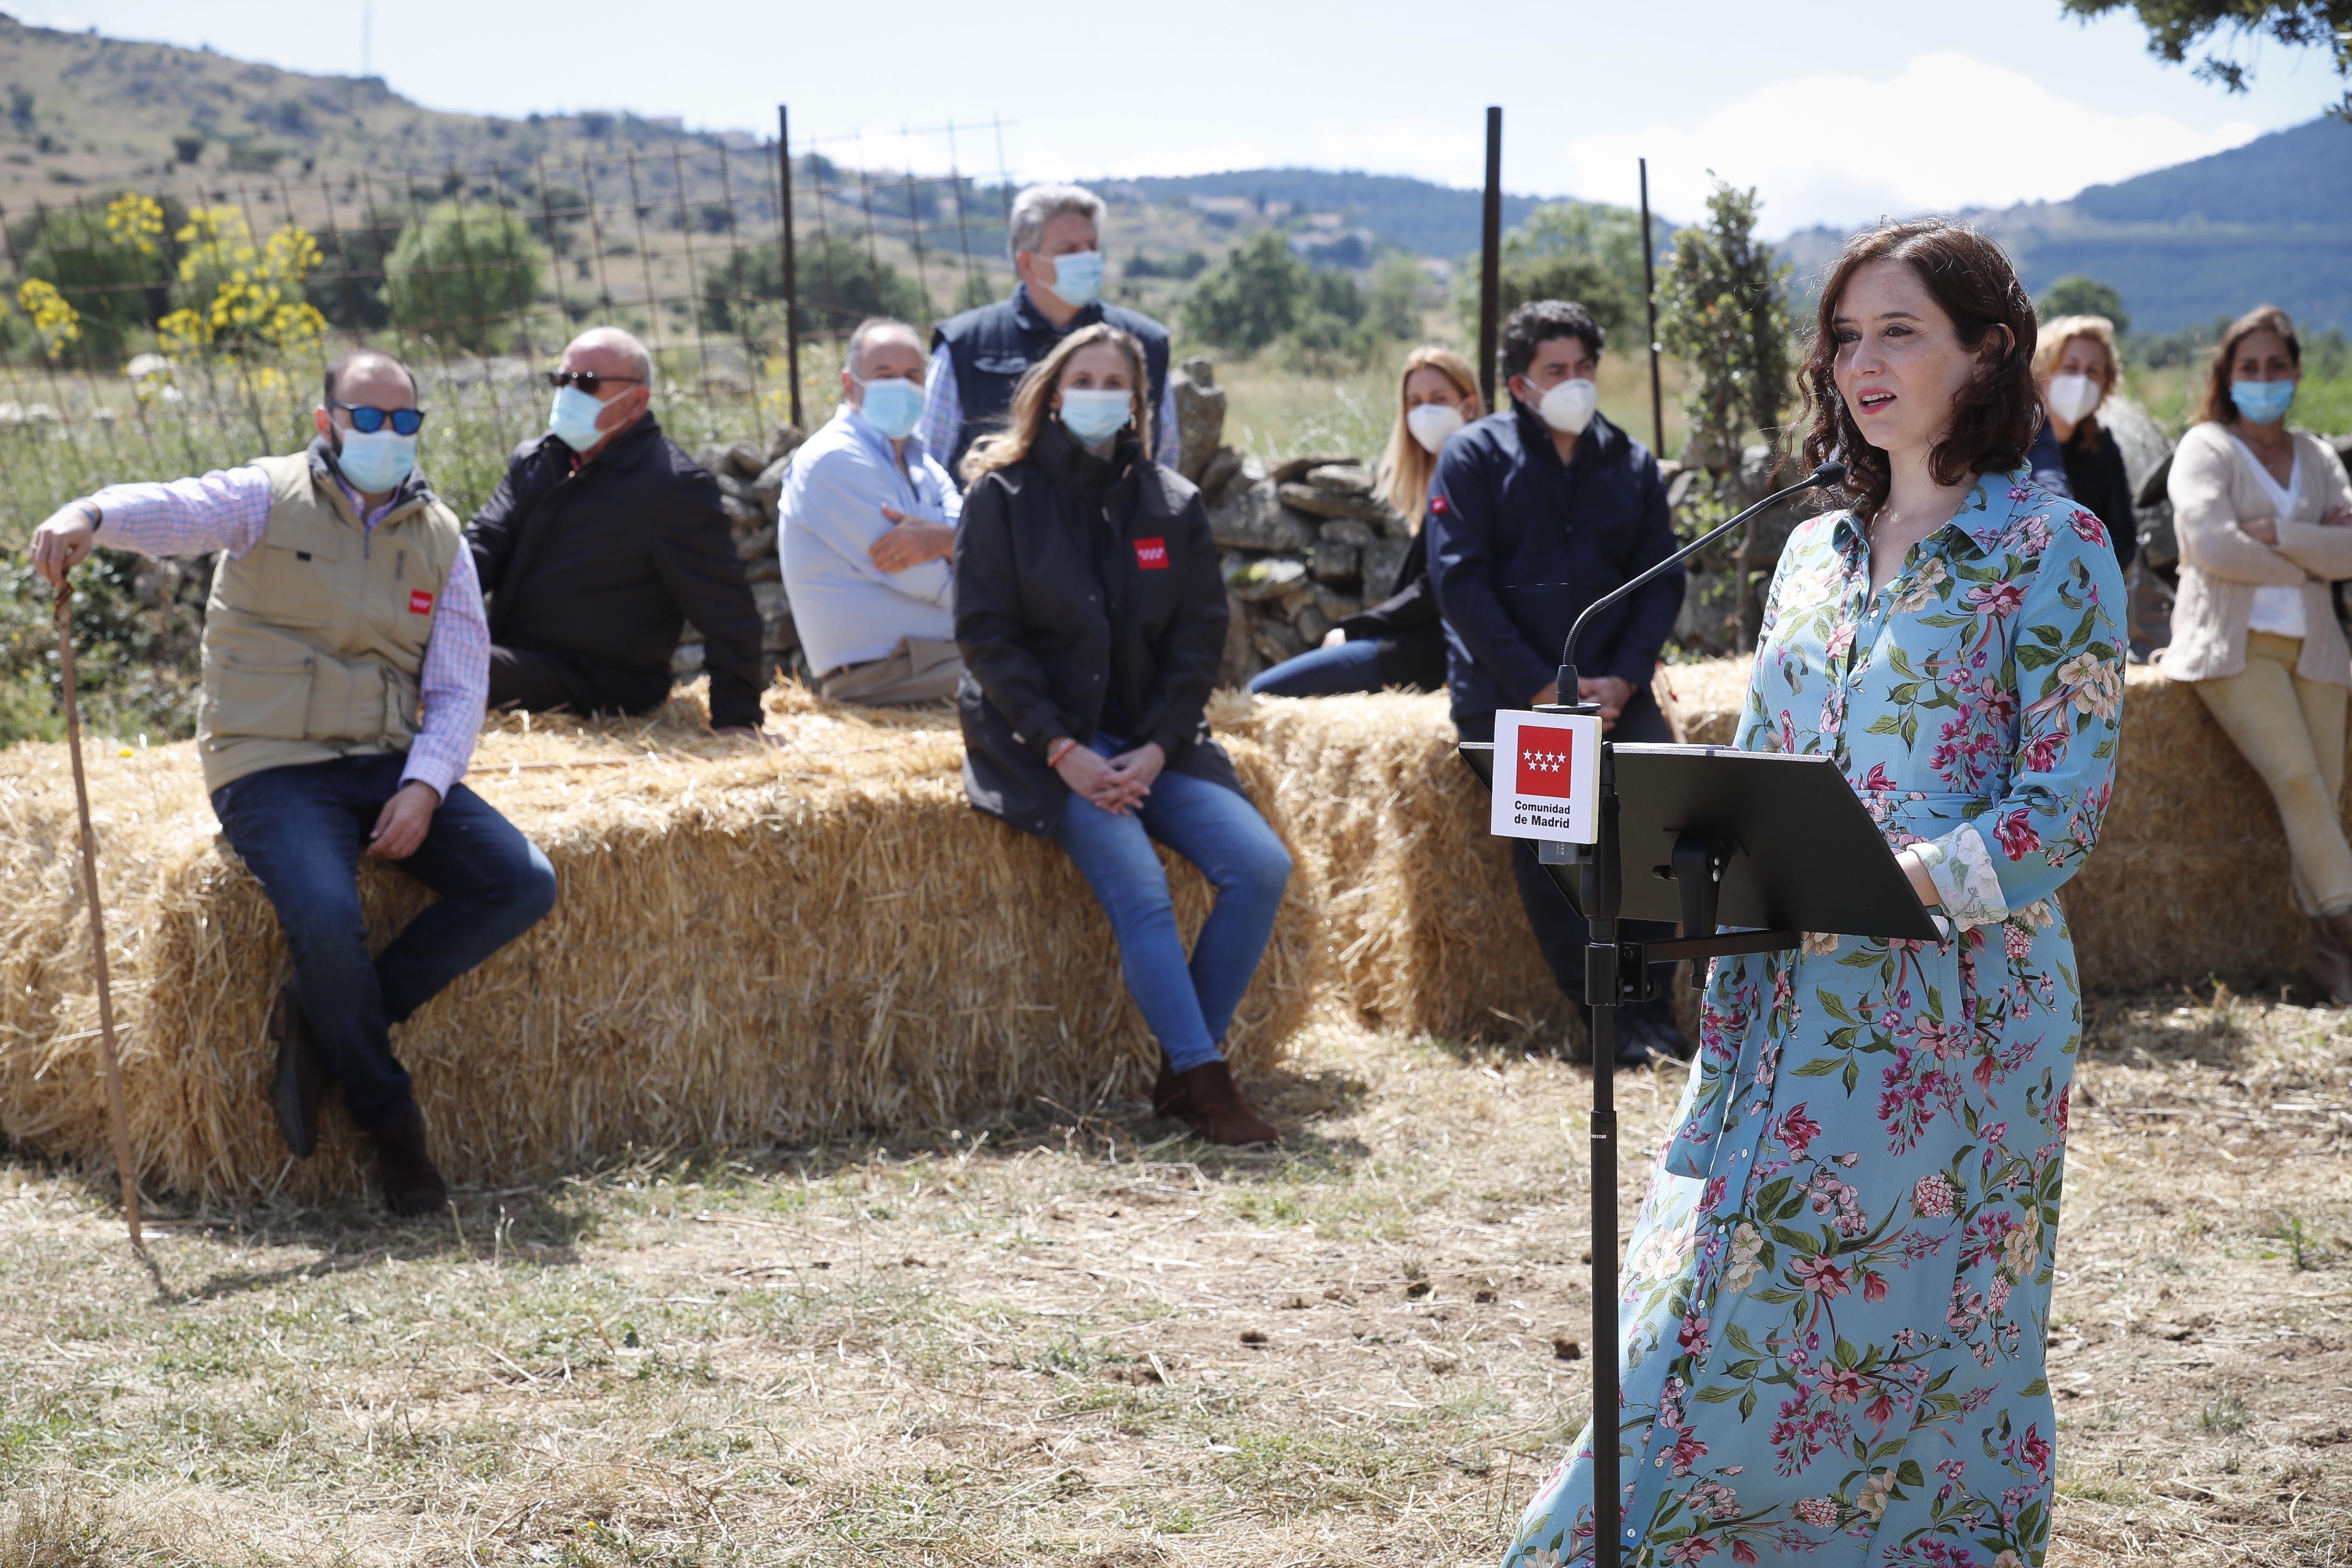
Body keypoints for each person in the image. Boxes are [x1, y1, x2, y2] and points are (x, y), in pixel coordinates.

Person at [1504, 219, 2126, 1567]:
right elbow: (1789, 765)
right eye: (1846, 336)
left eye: (1900, 330)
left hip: (1959, 1009)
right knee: (1713, 1279)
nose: (1862, 362)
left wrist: (1888, 883)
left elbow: (2061, 807)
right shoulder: (1810, 554)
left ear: (1990, 350)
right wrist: (1687, 838)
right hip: (1782, 982)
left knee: (1936, 1316)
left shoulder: (2053, 545)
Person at [25, 350, 559, 1217]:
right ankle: (391, 1126)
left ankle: (324, 1022)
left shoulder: (441, 538)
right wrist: (89, 513)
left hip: (383, 759)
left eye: (405, 422)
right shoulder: (265, 497)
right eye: (368, 418)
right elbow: (176, 508)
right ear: (327, 423)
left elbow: (461, 686)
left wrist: (424, 787)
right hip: (270, 762)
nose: (388, 436)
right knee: (323, 914)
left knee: (522, 881)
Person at [953, 323, 1292, 1146]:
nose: (1100, 394)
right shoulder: (1002, 497)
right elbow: (986, 637)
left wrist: (1155, 747)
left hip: (1153, 745)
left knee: (1260, 865)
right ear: (1053, 392)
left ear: (1139, 403)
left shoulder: (1173, 504)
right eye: (1086, 379)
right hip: (1043, 749)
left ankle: (1182, 1071)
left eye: (1117, 383)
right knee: (1139, 884)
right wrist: (1064, 751)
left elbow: (1197, 641)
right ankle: (1207, 1084)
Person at [1424, 300, 1688, 1064]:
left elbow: (1660, 583)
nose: (1575, 383)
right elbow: (1461, 585)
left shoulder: (1631, 462)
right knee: (1557, 832)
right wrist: (1543, 687)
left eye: (1584, 368)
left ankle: (1652, 1011)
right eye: (1555, 371)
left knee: (1655, 829)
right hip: (1517, 694)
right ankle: (1599, 1014)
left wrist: (1625, 681)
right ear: (1518, 384)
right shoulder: (1472, 458)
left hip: (1615, 693)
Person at [2164, 304, 2352, 1001]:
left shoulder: (2318, 454)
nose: (2264, 378)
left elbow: (2351, 551)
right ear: (2229, 376)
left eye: (2277, 366)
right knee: (2300, 783)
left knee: (2324, 802)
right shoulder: (2206, 448)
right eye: (2251, 368)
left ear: (2297, 372)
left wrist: (2272, 536)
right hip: (2233, 647)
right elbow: (2210, 547)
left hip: (2318, 651)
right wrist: (2312, 554)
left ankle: (2332, 966)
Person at [465, 326, 775, 740]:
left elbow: (728, 611)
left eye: (587, 384)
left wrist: (736, 719)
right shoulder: (537, 461)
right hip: (516, 658)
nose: (569, 394)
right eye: (563, 381)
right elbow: (478, 551)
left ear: (637, 401)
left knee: (450, 661)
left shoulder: (672, 488)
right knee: (411, 645)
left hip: (604, 686)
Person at [1248, 345, 1479, 697]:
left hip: (1434, 653)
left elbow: (1438, 586)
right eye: (1415, 403)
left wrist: (1356, 628)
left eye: (1439, 398)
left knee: (1261, 694)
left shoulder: (1474, 478)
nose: (1426, 412)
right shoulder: (1444, 477)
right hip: (1422, 645)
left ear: (1470, 405)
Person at [922, 184, 1178, 477]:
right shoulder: (965, 345)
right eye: (1070, 250)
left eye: (1092, 247)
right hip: (992, 520)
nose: (1088, 259)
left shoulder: (1145, 343)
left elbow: (1165, 457)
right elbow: (931, 462)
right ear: (1028, 264)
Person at [779, 318, 965, 704]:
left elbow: (975, 537)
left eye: (913, 375)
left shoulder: (923, 463)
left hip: (937, 660)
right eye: (884, 375)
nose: (902, 386)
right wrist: (962, 550)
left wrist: (944, 540)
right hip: (885, 675)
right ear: (850, 385)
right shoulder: (833, 460)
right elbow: (927, 579)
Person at [2035, 312, 2138, 569]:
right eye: (2070, 368)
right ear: (2043, 373)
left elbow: (2123, 535)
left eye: (2093, 371)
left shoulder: (2102, 447)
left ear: (2106, 383)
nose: (2081, 381)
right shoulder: (2012, 442)